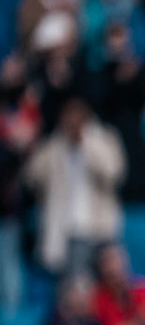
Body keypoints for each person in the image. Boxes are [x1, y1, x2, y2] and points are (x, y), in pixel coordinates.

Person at [23, 96, 124, 276]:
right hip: (67, 231)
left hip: (100, 230)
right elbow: (32, 177)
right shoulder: (54, 145)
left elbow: (113, 173)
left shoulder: (103, 138)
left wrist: (85, 142)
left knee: (104, 287)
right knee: (75, 291)